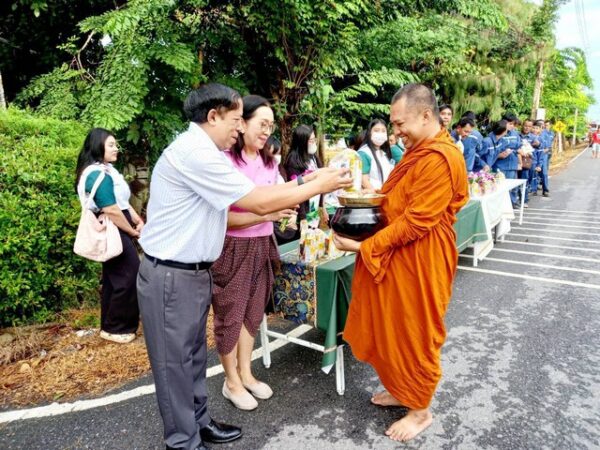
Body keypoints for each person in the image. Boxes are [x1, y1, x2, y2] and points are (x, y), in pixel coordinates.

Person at [137, 83, 351, 450]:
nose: (240, 128)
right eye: (237, 120)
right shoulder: (195, 154)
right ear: (213, 116)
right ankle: (183, 442)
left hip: (192, 272)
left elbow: (257, 198)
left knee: (190, 360)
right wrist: (320, 183)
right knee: (174, 367)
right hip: (171, 275)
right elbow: (257, 201)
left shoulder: (206, 152)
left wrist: (307, 180)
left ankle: (200, 423)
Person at [333, 83, 468, 442]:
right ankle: (402, 389)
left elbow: (417, 221)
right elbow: (395, 198)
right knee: (392, 326)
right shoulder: (417, 151)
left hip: (422, 259)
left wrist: (364, 247)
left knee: (415, 331)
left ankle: (420, 409)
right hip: (399, 255)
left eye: (399, 124)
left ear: (426, 116)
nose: (395, 132)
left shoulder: (442, 157)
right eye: (392, 126)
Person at [211, 95, 295, 411]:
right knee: (230, 314)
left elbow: (277, 200)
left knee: (252, 312)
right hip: (232, 247)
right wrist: (267, 214)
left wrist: (285, 211)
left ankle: (246, 372)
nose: (266, 131)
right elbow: (223, 217)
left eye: (270, 126)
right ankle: (230, 381)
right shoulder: (224, 162)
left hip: (263, 244)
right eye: (262, 124)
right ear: (242, 122)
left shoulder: (268, 162)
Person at [74, 128, 143, 344]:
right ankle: (118, 327)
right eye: (111, 145)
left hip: (119, 222)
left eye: (115, 144)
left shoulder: (108, 170)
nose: (116, 149)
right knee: (130, 274)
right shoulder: (96, 173)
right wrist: (131, 231)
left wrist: (136, 219)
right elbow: (111, 209)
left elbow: (121, 203)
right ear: (97, 146)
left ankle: (110, 326)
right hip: (113, 225)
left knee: (115, 277)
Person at [282, 124, 328, 227]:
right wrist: (303, 218)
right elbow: (298, 190)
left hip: (313, 208)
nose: (314, 143)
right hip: (302, 212)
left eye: (314, 140)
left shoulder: (313, 158)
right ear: (302, 142)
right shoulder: (293, 160)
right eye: (310, 141)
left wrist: (322, 207)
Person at [357, 119, 403, 191]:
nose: (380, 133)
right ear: (369, 133)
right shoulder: (364, 153)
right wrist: (377, 195)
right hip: (373, 197)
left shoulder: (383, 153)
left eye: (383, 131)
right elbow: (364, 180)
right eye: (376, 130)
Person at [495, 113, 521, 207]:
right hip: (500, 165)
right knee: (500, 186)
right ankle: (499, 205)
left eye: (513, 124)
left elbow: (519, 146)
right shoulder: (498, 133)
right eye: (510, 123)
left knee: (512, 186)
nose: (512, 126)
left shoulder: (515, 134)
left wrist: (520, 161)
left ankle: (512, 203)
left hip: (512, 164)